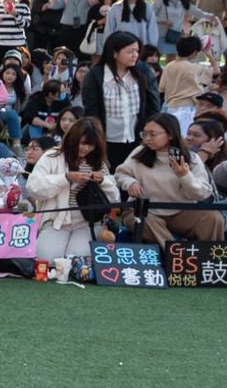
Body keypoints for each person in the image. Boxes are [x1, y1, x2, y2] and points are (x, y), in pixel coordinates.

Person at [114, 112, 224, 244]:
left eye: (153, 134)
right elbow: (120, 174)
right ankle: (176, 253)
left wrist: (185, 176)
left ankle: (208, 255)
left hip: (181, 212)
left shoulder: (191, 158)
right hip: (144, 211)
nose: (147, 138)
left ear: (170, 134)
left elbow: (202, 193)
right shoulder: (139, 153)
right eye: (144, 134)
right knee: (146, 221)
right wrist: (130, 183)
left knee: (213, 218)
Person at [26, 116, 117, 260]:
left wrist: (103, 181)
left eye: (91, 145)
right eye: (82, 143)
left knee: (78, 259)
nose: (86, 148)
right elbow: (33, 187)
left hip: (87, 222)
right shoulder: (52, 156)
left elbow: (114, 198)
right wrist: (66, 178)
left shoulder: (98, 163)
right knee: (45, 259)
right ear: (72, 138)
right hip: (56, 220)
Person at [81, 32, 161, 169]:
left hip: (138, 139)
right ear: (114, 53)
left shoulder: (143, 71)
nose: (135, 55)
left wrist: (150, 135)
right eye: (130, 51)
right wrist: (96, 138)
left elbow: (153, 105)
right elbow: (91, 111)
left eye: (137, 51)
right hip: (107, 140)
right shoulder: (95, 75)